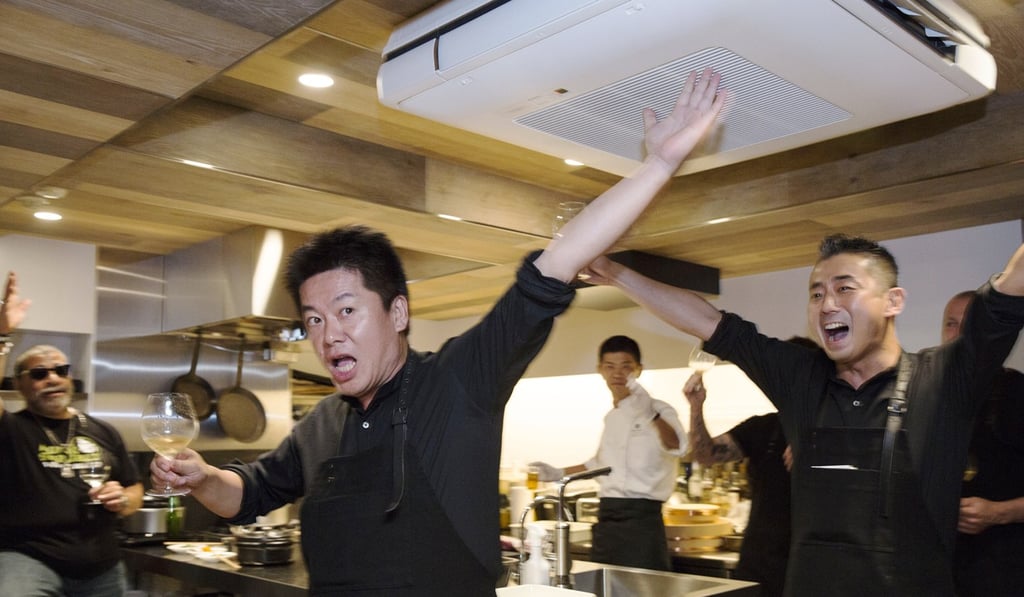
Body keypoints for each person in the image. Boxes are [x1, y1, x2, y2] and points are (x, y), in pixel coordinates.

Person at [149, 69, 726, 595]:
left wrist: (657, 166)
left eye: (347, 311)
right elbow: (246, 495)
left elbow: (551, 268)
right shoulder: (323, 423)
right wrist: (202, 477)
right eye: (314, 320)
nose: (328, 335)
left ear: (398, 313)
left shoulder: (457, 383)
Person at [582, 234, 1024, 595]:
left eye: (844, 288)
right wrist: (615, 272)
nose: (827, 303)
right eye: (817, 293)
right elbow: (707, 321)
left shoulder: (946, 379)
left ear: (893, 301)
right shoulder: (801, 380)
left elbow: (1010, 285)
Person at [0, 272, 144, 597]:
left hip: (102, 563)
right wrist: (2, 332)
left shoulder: (102, 430)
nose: (52, 378)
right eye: (39, 374)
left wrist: (122, 500)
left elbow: (134, 486)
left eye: (60, 371)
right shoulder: (10, 429)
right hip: (28, 559)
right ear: (20, 385)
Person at [530, 335, 685, 571]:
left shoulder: (659, 409)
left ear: (639, 370)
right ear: (600, 370)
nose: (617, 374)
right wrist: (559, 473)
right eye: (610, 367)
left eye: (626, 367)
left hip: (643, 520)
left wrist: (650, 415)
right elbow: (600, 464)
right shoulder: (612, 417)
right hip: (608, 519)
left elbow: (678, 446)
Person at [683, 335, 815, 597]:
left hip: (808, 572)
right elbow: (706, 454)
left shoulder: (835, 431)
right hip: (758, 568)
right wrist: (696, 407)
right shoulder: (763, 427)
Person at [941, 290, 1024, 597]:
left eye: (969, 324)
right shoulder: (924, 397)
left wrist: (999, 512)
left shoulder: (1017, 392)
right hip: (941, 574)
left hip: (1007, 573)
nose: (958, 334)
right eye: (950, 324)